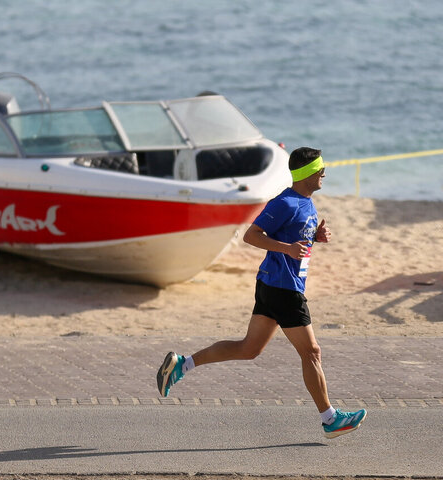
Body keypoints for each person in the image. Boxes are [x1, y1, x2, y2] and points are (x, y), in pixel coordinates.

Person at [157, 147, 366, 439]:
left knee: (249, 349)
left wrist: (314, 238)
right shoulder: (285, 202)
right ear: (307, 172)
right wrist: (288, 249)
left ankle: (182, 364)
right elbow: (251, 235)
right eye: (320, 169)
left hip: (274, 284)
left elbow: (295, 241)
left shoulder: (306, 203)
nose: (324, 173)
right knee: (312, 351)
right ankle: (330, 418)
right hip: (283, 288)